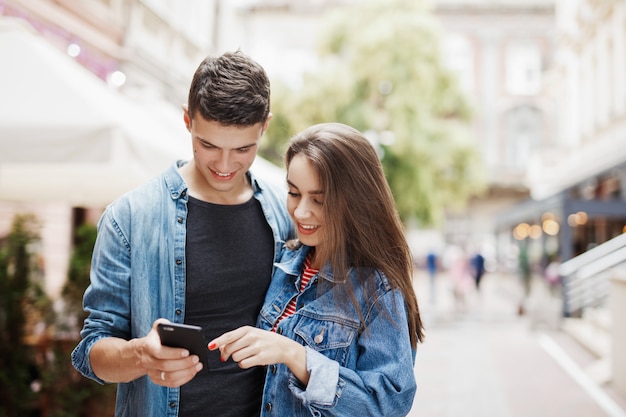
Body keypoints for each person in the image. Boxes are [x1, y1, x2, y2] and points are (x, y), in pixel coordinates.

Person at [71, 51, 294, 417]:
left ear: (264, 127)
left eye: (243, 149)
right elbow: (91, 353)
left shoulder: (284, 216)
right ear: (187, 120)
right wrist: (141, 354)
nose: (224, 166)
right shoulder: (128, 218)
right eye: (209, 145)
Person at [209, 122, 424, 416]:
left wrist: (294, 355)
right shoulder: (283, 264)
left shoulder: (377, 289)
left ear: (355, 203)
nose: (300, 212)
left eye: (319, 200)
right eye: (294, 193)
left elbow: (386, 404)